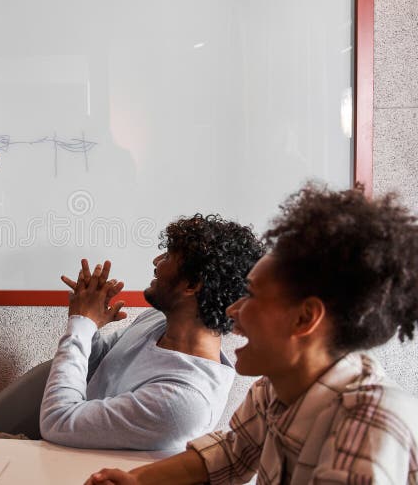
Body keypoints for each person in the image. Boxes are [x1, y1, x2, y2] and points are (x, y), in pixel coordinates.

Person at [86, 185, 418, 485]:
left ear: (304, 318)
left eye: (253, 296)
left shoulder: (367, 425)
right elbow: (231, 454)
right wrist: (137, 481)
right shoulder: (274, 388)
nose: (232, 310)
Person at [0, 214, 264, 451]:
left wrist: (82, 323)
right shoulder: (157, 323)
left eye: (168, 256)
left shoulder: (185, 400)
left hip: (63, 464)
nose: (156, 262)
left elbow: (58, 422)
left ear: (193, 284)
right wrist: (90, 324)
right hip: (57, 446)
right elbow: (94, 359)